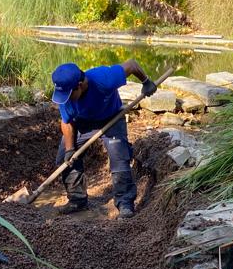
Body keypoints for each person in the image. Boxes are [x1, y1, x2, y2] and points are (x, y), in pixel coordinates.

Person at [50, 59, 158, 218]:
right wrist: (70, 149)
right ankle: (77, 200)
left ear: (79, 85)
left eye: (69, 94)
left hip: (111, 118)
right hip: (82, 123)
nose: (65, 98)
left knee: (119, 158)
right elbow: (66, 123)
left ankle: (125, 204)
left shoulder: (104, 78)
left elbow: (132, 65)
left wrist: (146, 81)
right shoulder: (65, 95)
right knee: (65, 160)